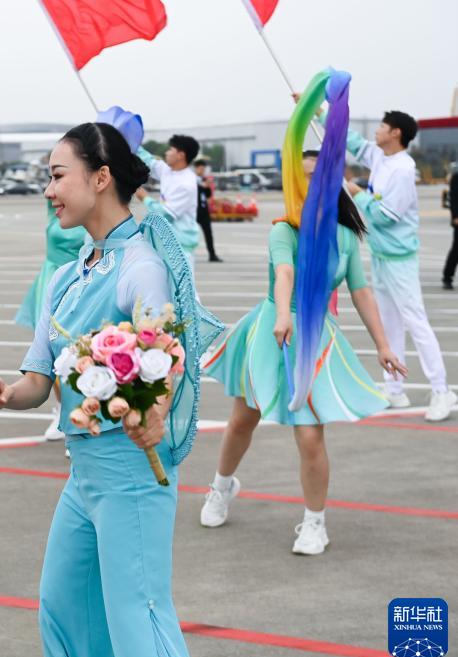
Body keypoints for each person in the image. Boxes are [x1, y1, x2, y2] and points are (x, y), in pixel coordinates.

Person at [0, 121, 199, 657]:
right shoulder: (66, 277)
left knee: (138, 618)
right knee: (64, 609)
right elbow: (38, 382)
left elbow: (164, 352)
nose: (49, 190)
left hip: (132, 472)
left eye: (57, 176)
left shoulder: (141, 266)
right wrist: (5, 396)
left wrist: (156, 409)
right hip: (83, 474)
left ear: (101, 178)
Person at [200, 150, 406, 555]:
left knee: (310, 434)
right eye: (302, 175)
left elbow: (361, 291)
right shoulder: (284, 230)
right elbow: (285, 273)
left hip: (314, 337)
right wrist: (282, 315)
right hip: (272, 331)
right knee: (243, 419)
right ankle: (221, 487)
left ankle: (315, 522)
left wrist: (383, 345)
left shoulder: (345, 237)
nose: (308, 182)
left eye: (316, 175)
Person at [317, 103, 456, 421]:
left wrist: (357, 192)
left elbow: (387, 216)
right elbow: (350, 140)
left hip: (400, 260)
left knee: (416, 322)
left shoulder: (403, 170)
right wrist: (320, 113)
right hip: (381, 256)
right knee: (389, 323)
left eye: (382, 126)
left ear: (395, 133)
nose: (376, 131)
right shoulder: (379, 156)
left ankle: (442, 390)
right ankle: (394, 388)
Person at [15, 197, 89, 442]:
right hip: (49, 280)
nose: (52, 190)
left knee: (78, 351)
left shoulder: (89, 214)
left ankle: (84, 417)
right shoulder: (56, 208)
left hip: (77, 283)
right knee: (51, 351)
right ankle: (61, 412)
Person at [136, 135, 201, 274]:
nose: (167, 152)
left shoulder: (186, 184)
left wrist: (145, 198)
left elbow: (166, 215)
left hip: (180, 249)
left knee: (182, 287)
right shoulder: (167, 171)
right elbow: (148, 160)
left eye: (171, 149)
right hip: (166, 244)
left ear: (181, 155)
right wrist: (130, 142)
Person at [193, 158, 222, 262]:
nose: (202, 171)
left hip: (204, 211)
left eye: (203, 169)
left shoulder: (204, 180)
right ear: (196, 168)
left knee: (208, 233)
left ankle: (212, 255)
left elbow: (208, 195)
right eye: (201, 169)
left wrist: (208, 186)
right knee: (190, 233)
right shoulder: (191, 179)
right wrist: (202, 186)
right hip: (193, 211)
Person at [443, 165, 458, 290]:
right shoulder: (456, 177)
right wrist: (455, 216)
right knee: (456, 250)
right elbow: (454, 199)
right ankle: (447, 277)